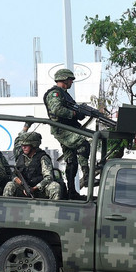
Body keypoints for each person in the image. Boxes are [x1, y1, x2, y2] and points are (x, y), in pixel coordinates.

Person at [43, 68, 91, 200]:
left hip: (68, 128)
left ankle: (72, 192)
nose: (71, 82)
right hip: (62, 129)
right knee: (83, 144)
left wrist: (80, 114)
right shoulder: (55, 94)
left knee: (71, 161)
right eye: (70, 80)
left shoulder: (65, 94)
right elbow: (57, 110)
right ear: (64, 79)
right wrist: (74, 114)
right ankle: (87, 177)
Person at [3, 132, 62, 200]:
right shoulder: (20, 157)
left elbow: (48, 177)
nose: (23, 147)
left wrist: (35, 188)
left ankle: (53, 209)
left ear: (33, 145)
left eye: (26, 145)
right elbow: (14, 174)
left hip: (40, 189)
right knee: (9, 185)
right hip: (23, 189)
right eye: (22, 145)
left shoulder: (43, 158)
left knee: (55, 186)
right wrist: (17, 180)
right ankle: (6, 209)